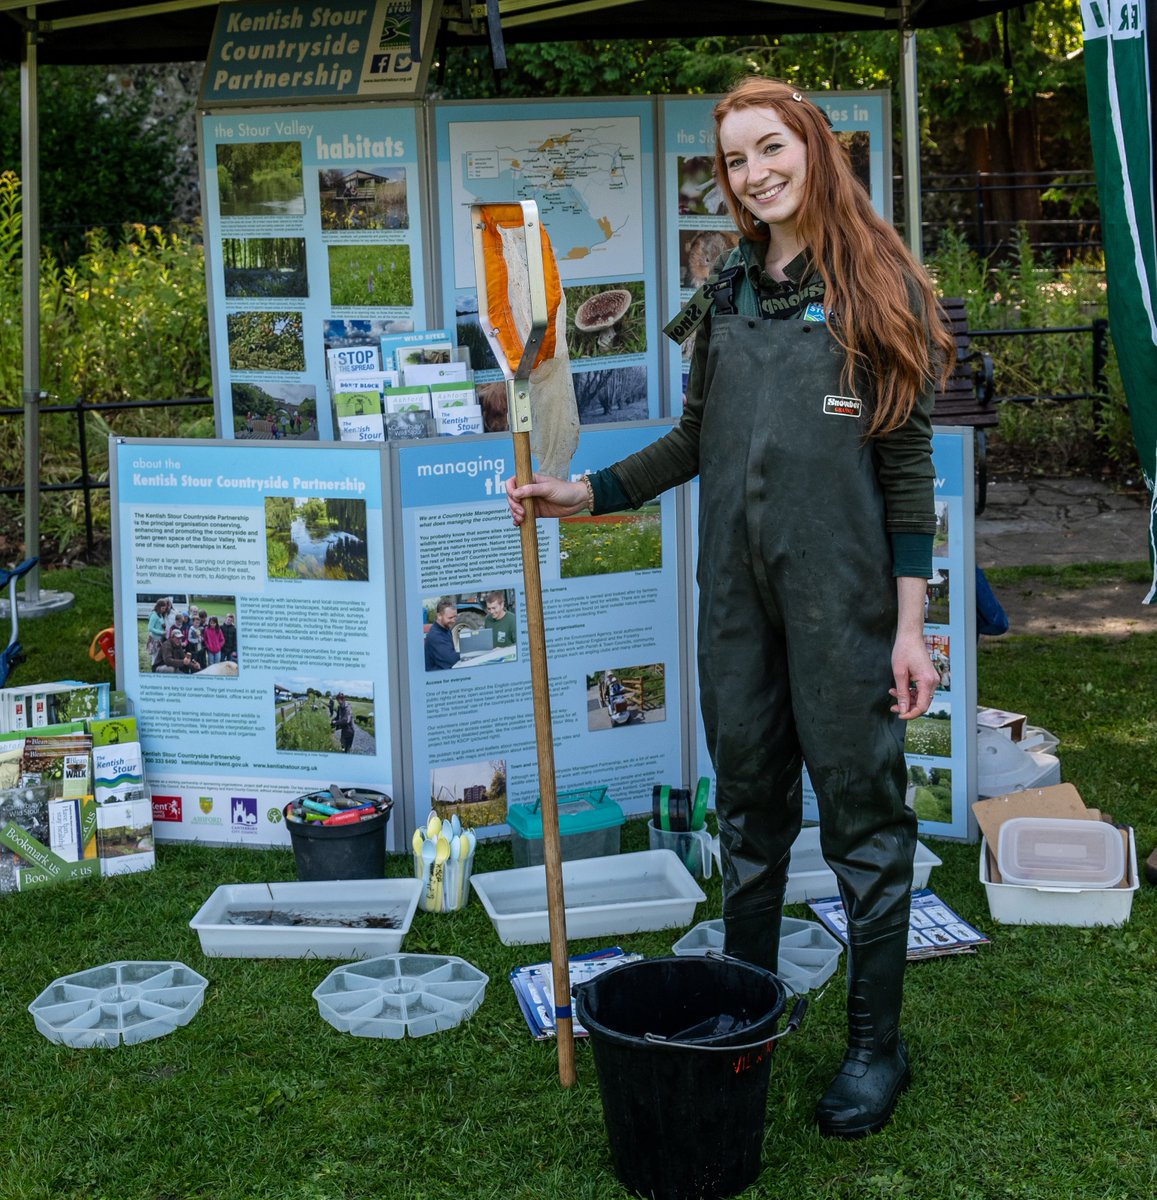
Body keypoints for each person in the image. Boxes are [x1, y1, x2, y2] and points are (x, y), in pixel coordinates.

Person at [506, 77, 951, 1140]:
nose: (755, 175)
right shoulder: (726, 287)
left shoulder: (880, 281)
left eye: (770, 149)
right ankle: (741, 1017)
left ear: (812, 146)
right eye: (736, 161)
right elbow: (691, 440)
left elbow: (905, 473)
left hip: (844, 608)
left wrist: (906, 625)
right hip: (735, 607)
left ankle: (872, 1047)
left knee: (864, 828)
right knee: (748, 810)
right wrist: (588, 491)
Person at [424, 597, 461, 671]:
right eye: (450, 618)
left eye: (455, 617)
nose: (454, 621)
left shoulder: (446, 629)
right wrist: (466, 655)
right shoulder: (435, 636)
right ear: (439, 616)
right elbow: (451, 660)